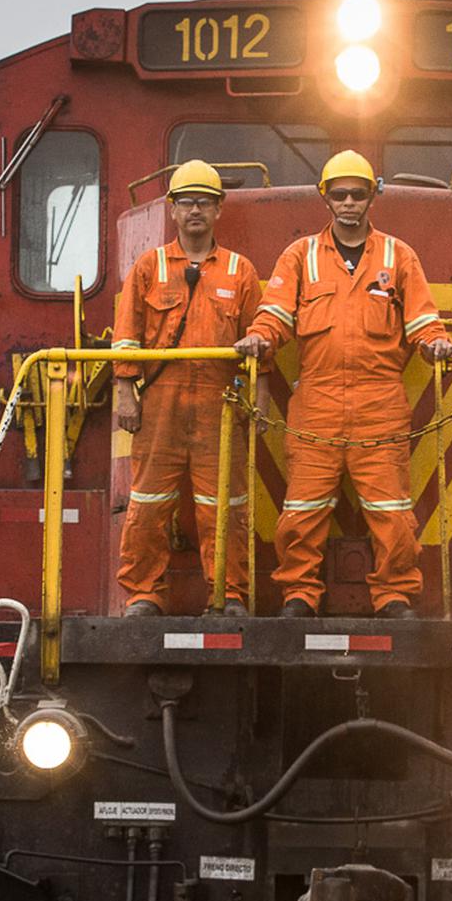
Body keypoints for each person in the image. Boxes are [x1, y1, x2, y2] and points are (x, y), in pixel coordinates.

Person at [235, 150, 452, 619]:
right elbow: (274, 314)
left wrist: (436, 344)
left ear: (372, 196)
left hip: (380, 400)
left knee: (392, 510)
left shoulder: (399, 255)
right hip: (316, 401)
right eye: (340, 194)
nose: (350, 202)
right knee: (301, 509)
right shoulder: (300, 256)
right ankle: (299, 595)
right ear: (326, 199)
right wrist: (259, 338)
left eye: (359, 193)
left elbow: (423, 318)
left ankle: (394, 595)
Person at [112, 159, 267, 618]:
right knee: (149, 502)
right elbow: (127, 334)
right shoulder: (149, 266)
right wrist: (125, 389)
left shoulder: (240, 271)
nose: (194, 210)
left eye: (203, 201)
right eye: (186, 202)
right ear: (173, 210)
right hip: (161, 402)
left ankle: (229, 596)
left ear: (219, 209)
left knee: (225, 505)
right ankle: (143, 594)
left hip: (220, 402)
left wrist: (259, 393)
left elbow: (259, 339)